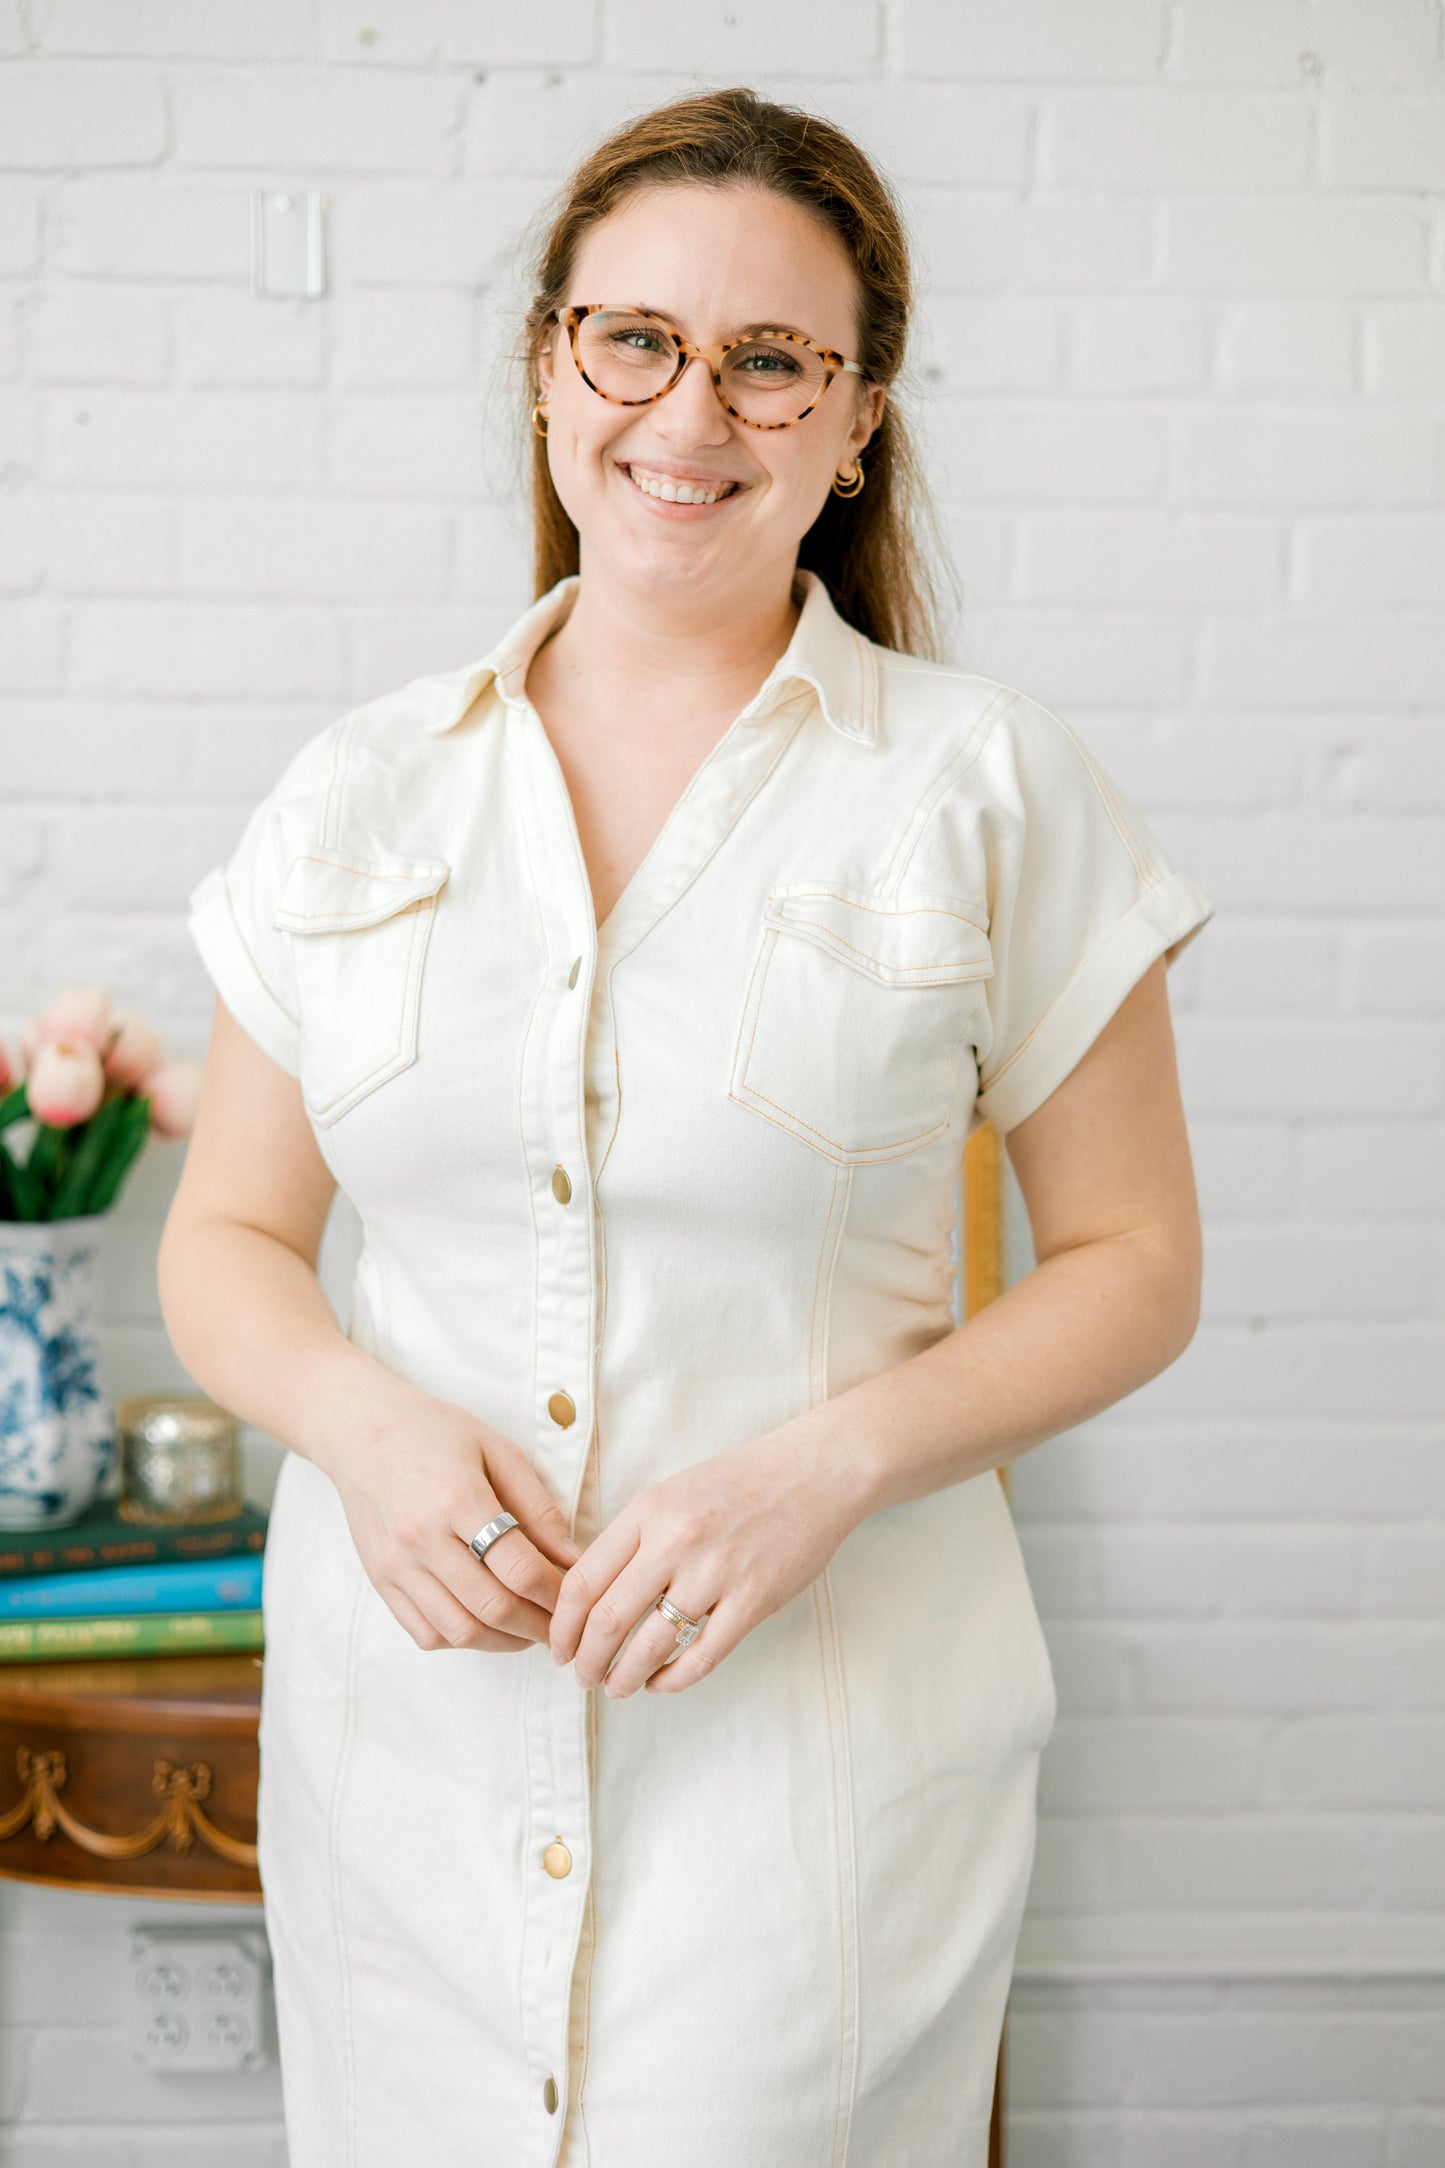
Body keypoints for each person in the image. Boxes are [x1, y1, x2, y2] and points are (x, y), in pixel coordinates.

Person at [160, 85, 1213, 2168]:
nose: (688, 412)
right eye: (632, 337)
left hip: (817, 1768)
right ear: (554, 365)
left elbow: (1138, 1265)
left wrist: (822, 1469)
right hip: (412, 1766)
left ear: (856, 419)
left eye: (768, 360)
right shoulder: (358, 791)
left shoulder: (988, 787)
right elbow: (230, 1239)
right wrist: (367, 1431)